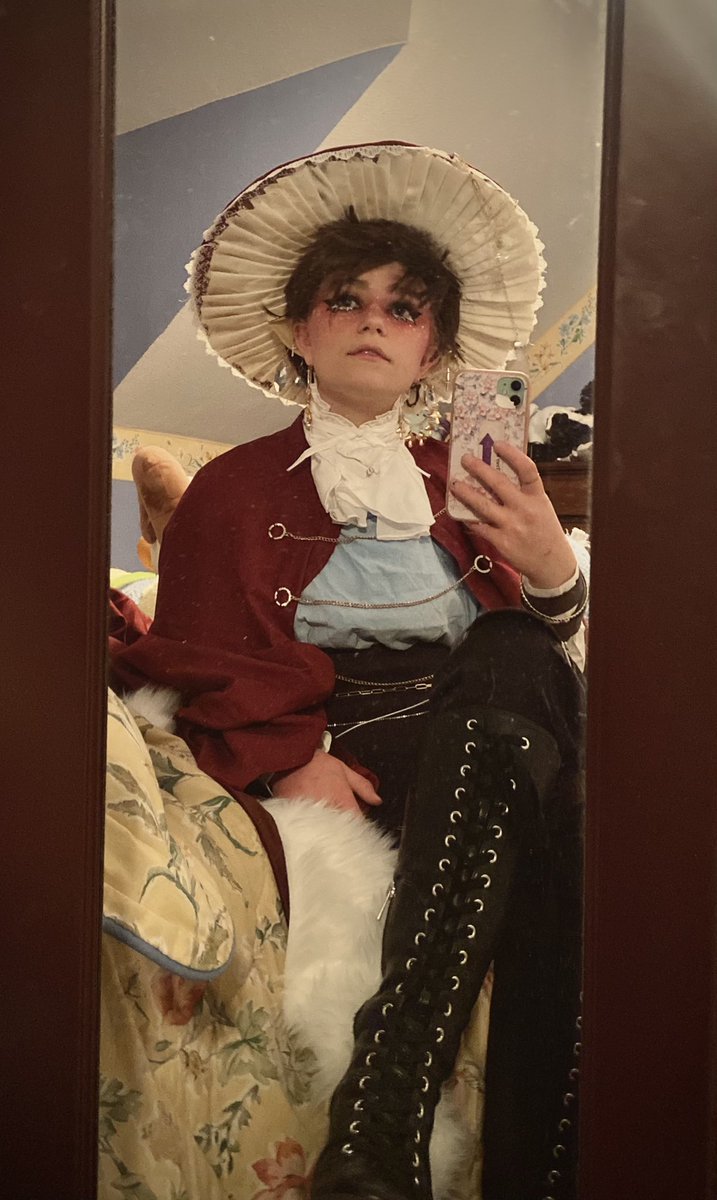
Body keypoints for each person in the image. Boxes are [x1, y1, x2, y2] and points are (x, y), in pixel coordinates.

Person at [113, 143, 587, 1200]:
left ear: (432, 350)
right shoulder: (232, 490)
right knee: (552, 838)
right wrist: (292, 757)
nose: (374, 320)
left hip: (487, 711)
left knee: (513, 653)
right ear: (301, 330)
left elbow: (548, 641)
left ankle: (385, 1105)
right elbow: (199, 655)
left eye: (404, 308)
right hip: (352, 736)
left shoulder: (474, 475)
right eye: (346, 299)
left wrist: (551, 561)